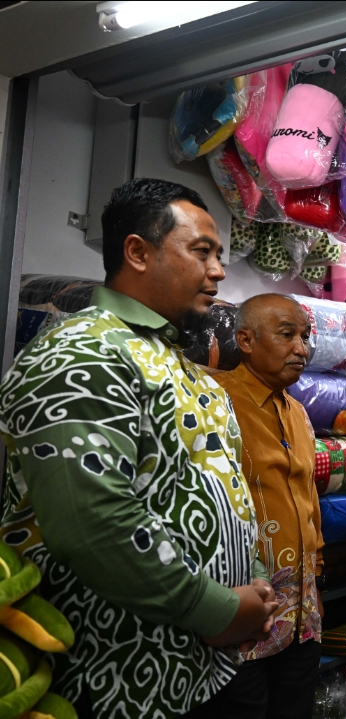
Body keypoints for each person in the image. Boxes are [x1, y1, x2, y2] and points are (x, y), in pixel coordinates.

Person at [0, 178, 278, 719]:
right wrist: (219, 609)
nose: (219, 272)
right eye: (201, 252)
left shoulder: (174, 360)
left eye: (219, 255)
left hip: (197, 670)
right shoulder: (85, 351)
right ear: (137, 252)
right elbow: (93, 523)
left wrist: (252, 588)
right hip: (123, 684)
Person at [214, 293, 325, 719]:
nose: (301, 348)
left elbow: (309, 503)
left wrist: (315, 586)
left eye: (304, 336)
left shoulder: (299, 412)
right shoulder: (214, 401)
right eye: (287, 335)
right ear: (245, 339)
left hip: (303, 614)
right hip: (243, 609)